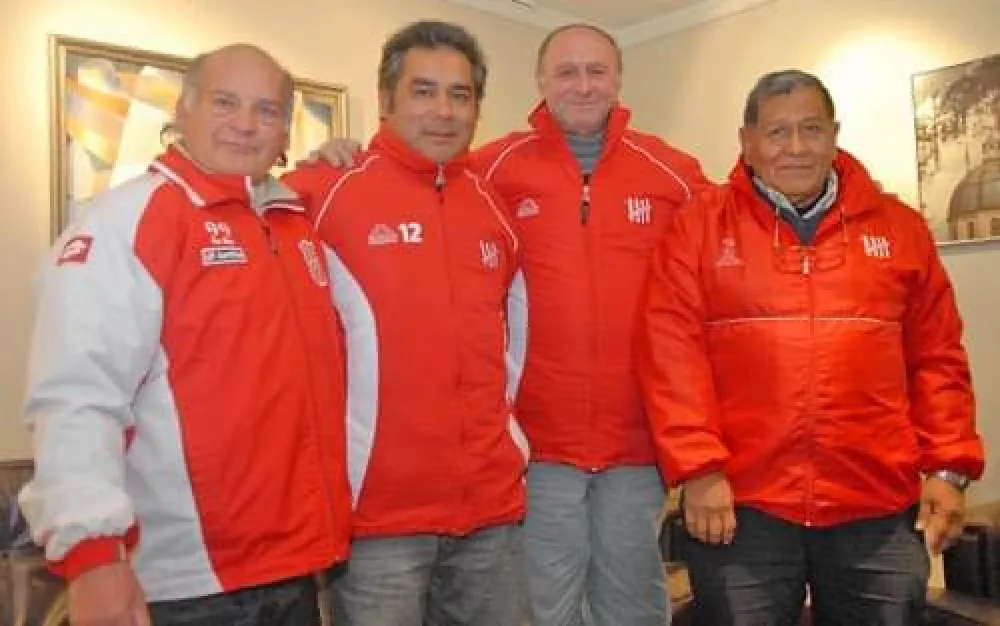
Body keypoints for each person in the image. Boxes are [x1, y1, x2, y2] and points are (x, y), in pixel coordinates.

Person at [314, 22, 710, 626]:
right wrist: (339, 153)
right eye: (567, 71)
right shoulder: (492, 168)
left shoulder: (674, 172)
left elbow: (740, 228)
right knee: (542, 609)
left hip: (637, 445)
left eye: (597, 70)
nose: (582, 85)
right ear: (541, 81)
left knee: (633, 607)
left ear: (618, 79)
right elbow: (414, 174)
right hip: (536, 450)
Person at [18, 43, 352, 626]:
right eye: (226, 103)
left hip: (293, 569)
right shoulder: (127, 220)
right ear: (184, 109)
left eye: (267, 111)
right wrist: (95, 559)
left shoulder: (291, 225)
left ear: (283, 131)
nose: (246, 125)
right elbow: (76, 396)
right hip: (183, 587)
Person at [639, 69, 985, 625]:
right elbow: (669, 358)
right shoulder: (697, 230)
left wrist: (947, 469)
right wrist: (699, 470)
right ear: (747, 142)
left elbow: (938, 358)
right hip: (742, 505)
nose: (796, 147)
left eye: (811, 129)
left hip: (876, 504)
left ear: (834, 134)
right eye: (776, 133)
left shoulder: (900, 229)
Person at [282, 20, 527, 626]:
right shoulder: (321, 191)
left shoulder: (494, 204)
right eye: (423, 91)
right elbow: (230, 205)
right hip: (377, 523)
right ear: (387, 100)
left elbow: (518, 341)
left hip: (493, 515)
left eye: (461, 94)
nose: (443, 111)